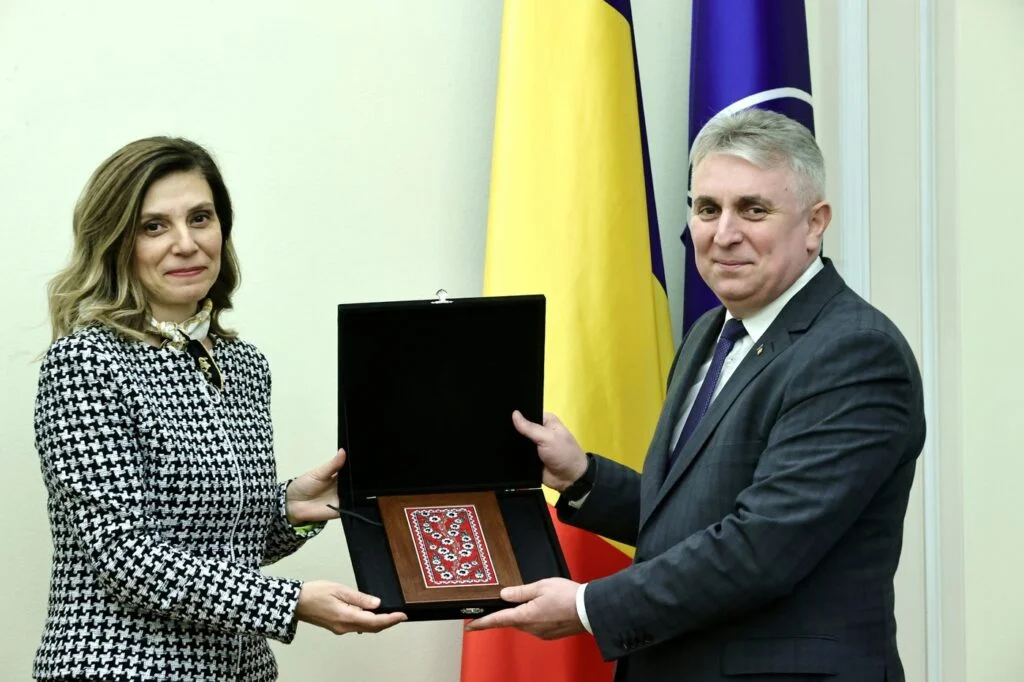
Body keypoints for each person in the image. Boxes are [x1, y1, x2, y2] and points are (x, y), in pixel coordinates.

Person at [466, 108, 926, 681]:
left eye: (753, 210)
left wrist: (588, 607)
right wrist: (582, 477)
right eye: (707, 209)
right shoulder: (711, 333)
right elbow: (694, 519)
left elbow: (760, 548)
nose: (723, 234)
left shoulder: (854, 353)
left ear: (815, 223)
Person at [33, 137, 406, 682]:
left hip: (240, 670)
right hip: (121, 669)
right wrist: (289, 602)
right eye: (154, 226)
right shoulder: (86, 362)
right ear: (114, 241)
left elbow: (226, 548)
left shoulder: (244, 364)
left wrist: (290, 510)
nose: (186, 244)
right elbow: (121, 555)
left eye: (200, 218)